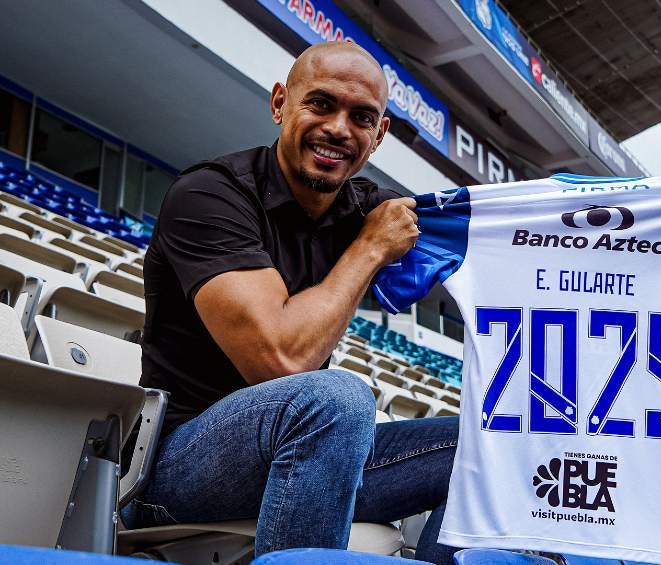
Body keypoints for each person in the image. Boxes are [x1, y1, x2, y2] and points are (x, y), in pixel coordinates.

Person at [129, 41, 457, 563]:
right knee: (335, 398)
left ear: (379, 135)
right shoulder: (210, 193)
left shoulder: (361, 205)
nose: (338, 129)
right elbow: (279, 361)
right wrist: (369, 249)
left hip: (311, 455)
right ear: (281, 103)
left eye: (361, 117)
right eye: (321, 104)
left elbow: (473, 235)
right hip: (177, 469)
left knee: (481, 445)